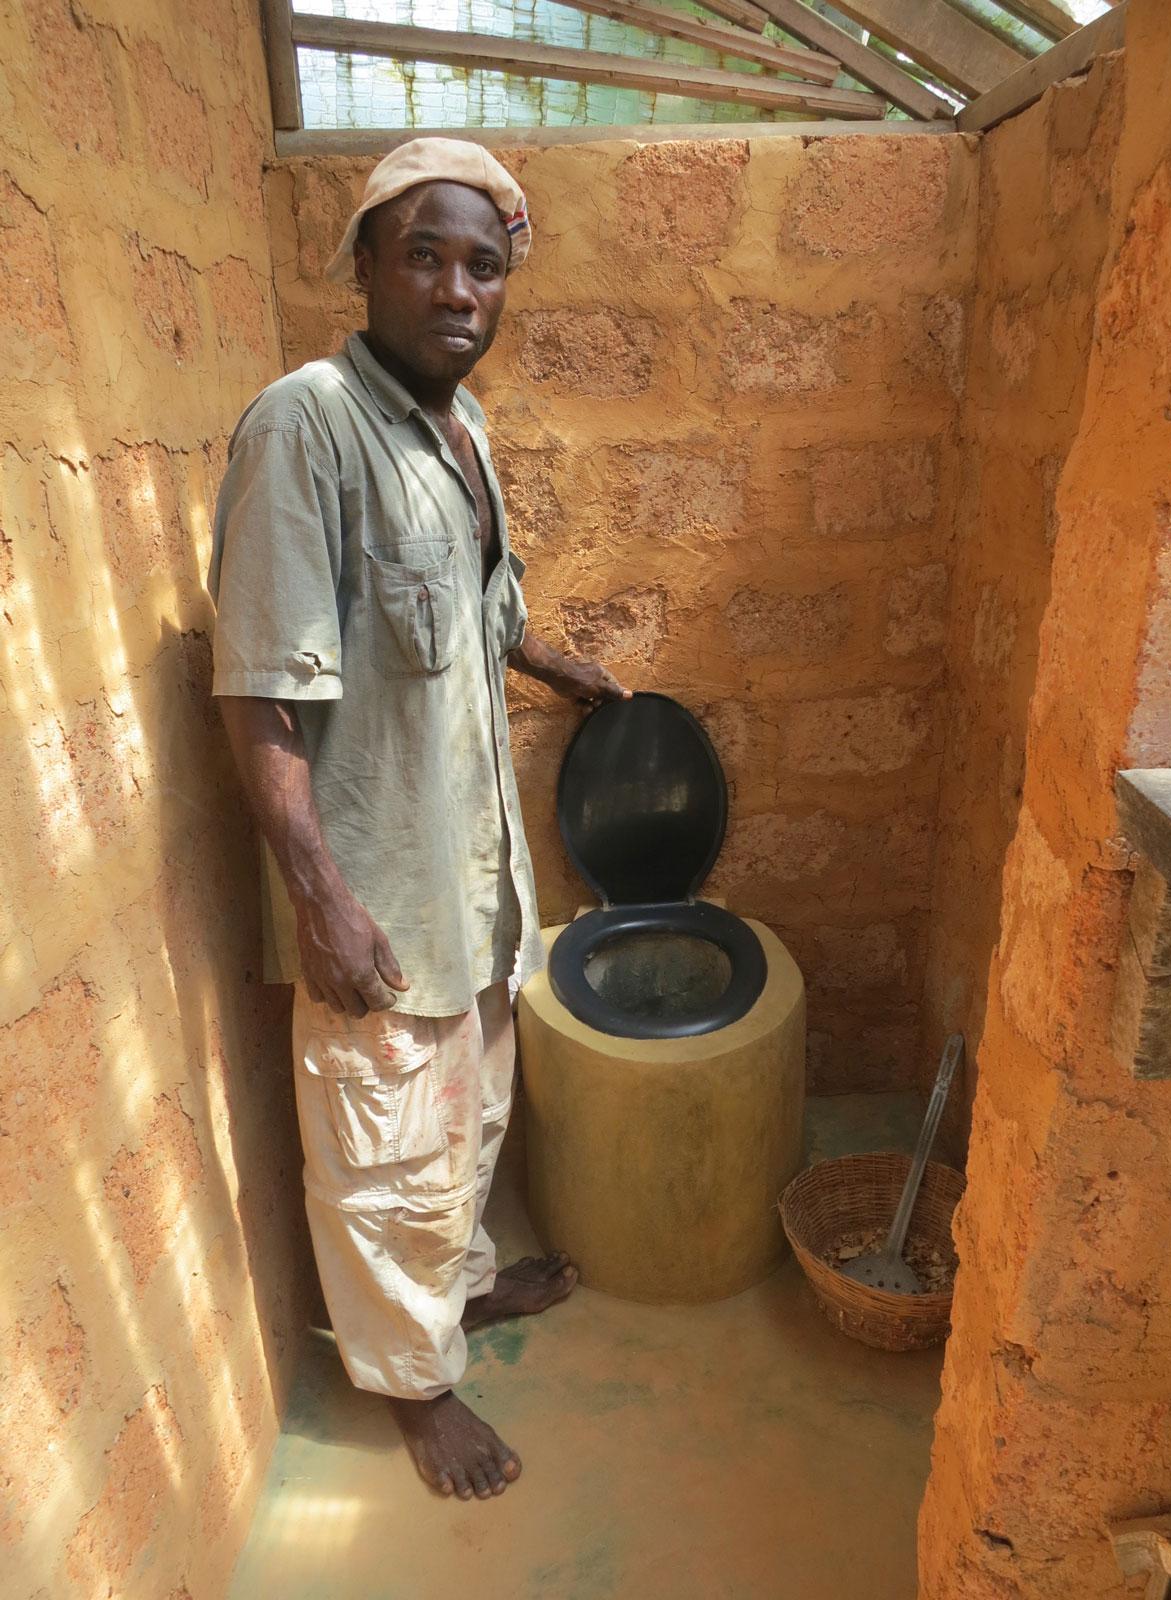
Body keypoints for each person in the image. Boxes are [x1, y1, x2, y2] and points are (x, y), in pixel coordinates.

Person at [208, 138, 630, 1502]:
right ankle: (414, 1387)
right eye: (426, 256)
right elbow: (257, 690)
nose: (459, 288)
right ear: (366, 267)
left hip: (474, 879)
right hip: (379, 889)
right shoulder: (303, 427)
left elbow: (471, 605)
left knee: (469, 1116)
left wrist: (553, 661)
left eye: (484, 265)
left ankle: (460, 1294)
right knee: (385, 1153)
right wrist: (319, 894)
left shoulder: (459, 427)